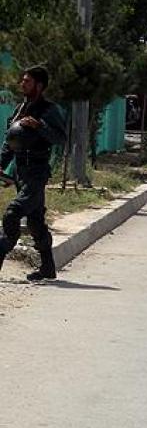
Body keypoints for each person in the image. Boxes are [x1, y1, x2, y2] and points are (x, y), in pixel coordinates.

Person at [0, 67, 67, 282]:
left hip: (37, 172)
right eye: (22, 80)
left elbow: (60, 138)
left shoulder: (49, 110)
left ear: (39, 85)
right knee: (35, 221)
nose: (22, 84)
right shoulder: (20, 109)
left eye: (27, 81)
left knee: (12, 213)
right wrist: (1, 165)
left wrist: (40, 126)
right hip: (21, 172)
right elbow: (10, 142)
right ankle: (48, 268)